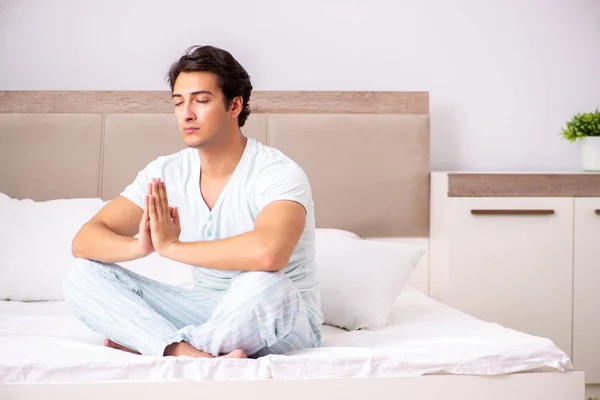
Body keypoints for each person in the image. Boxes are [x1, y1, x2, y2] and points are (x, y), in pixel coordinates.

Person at [62, 45, 322, 359]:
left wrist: (172, 248)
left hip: (278, 317)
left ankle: (152, 343)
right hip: (203, 310)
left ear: (234, 105)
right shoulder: (166, 171)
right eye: (178, 102)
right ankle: (184, 353)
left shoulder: (277, 171)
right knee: (83, 274)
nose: (187, 113)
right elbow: (85, 240)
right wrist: (140, 246)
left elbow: (269, 254)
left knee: (266, 285)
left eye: (201, 100)